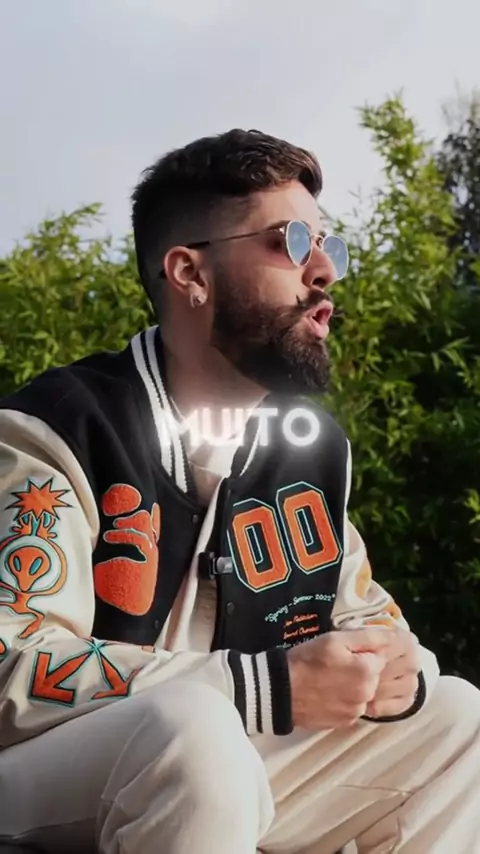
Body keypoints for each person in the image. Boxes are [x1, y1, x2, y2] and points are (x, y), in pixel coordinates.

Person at [0, 129, 479, 854]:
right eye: (291, 241)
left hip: (222, 754)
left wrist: (397, 671)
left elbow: (368, 617)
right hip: (44, 773)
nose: (325, 271)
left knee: (455, 718)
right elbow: (14, 662)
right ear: (190, 272)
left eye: (328, 244)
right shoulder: (56, 428)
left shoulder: (307, 450)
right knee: (192, 731)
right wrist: (262, 687)